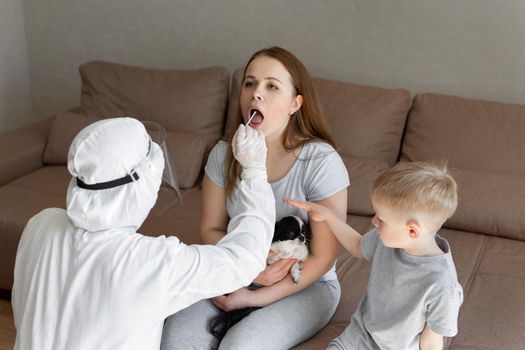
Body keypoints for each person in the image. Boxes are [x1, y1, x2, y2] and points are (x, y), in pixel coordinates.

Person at [11, 117, 276, 350]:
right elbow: (244, 260)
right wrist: (254, 172)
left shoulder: (41, 224)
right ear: (139, 184)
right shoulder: (150, 261)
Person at [161, 46, 349, 350]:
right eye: (250, 83)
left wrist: (253, 295)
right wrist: (244, 272)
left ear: (295, 103)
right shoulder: (223, 154)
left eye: (272, 86)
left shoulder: (321, 162)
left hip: (305, 285)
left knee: (241, 345)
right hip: (234, 269)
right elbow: (211, 229)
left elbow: (323, 256)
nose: (255, 93)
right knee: (176, 341)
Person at [286, 161, 464, 350]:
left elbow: (431, 342)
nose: (373, 221)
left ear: (412, 231)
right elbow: (357, 245)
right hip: (361, 335)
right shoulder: (389, 239)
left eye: (381, 219)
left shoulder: (443, 286)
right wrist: (329, 216)